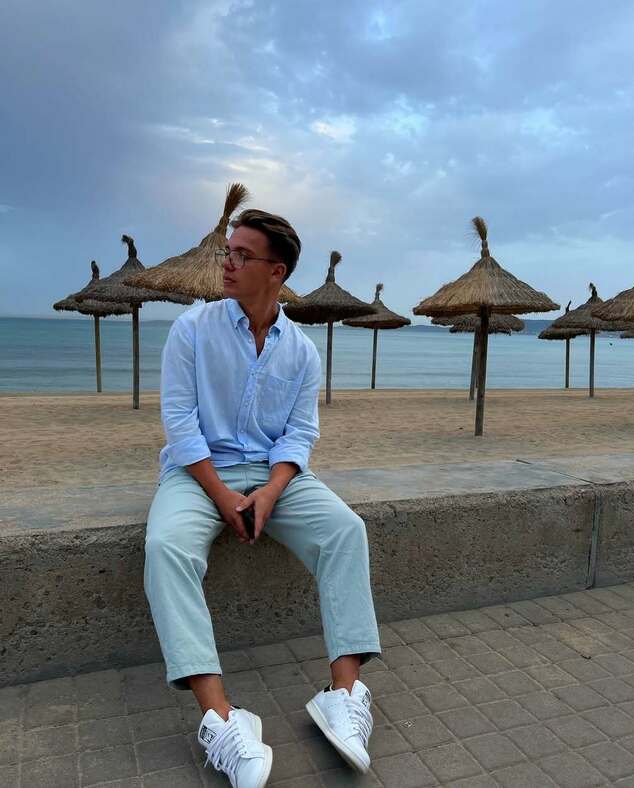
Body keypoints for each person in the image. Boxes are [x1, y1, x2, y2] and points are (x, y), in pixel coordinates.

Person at [143, 208, 382, 787]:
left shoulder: (300, 350)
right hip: (198, 472)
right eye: (228, 252)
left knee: (346, 530)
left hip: (277, 475)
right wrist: (222, 494)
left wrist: (272, 492)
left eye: (242, 255)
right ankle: (223, 720)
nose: (228, 263)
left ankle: (343, 694)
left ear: (276, 272)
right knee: (166, 547)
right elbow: (180, 422)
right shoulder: (192, 329)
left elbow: (300, 433)